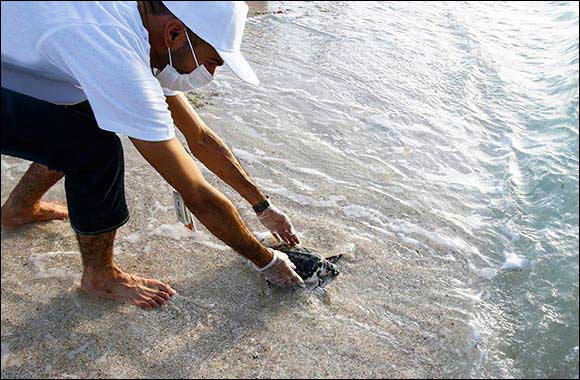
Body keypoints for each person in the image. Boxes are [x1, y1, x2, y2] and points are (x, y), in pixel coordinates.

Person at [1, 1, 305, 310]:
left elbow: (199, 137)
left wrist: (262, 205)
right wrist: (265, 260)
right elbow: (197, 194)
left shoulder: (139, 27)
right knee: (95, 149)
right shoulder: (114, 53)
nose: (211, 74)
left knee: (85, 115)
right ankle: (100, 277)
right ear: (175, 33)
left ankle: (19, 208)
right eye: (213, 62)